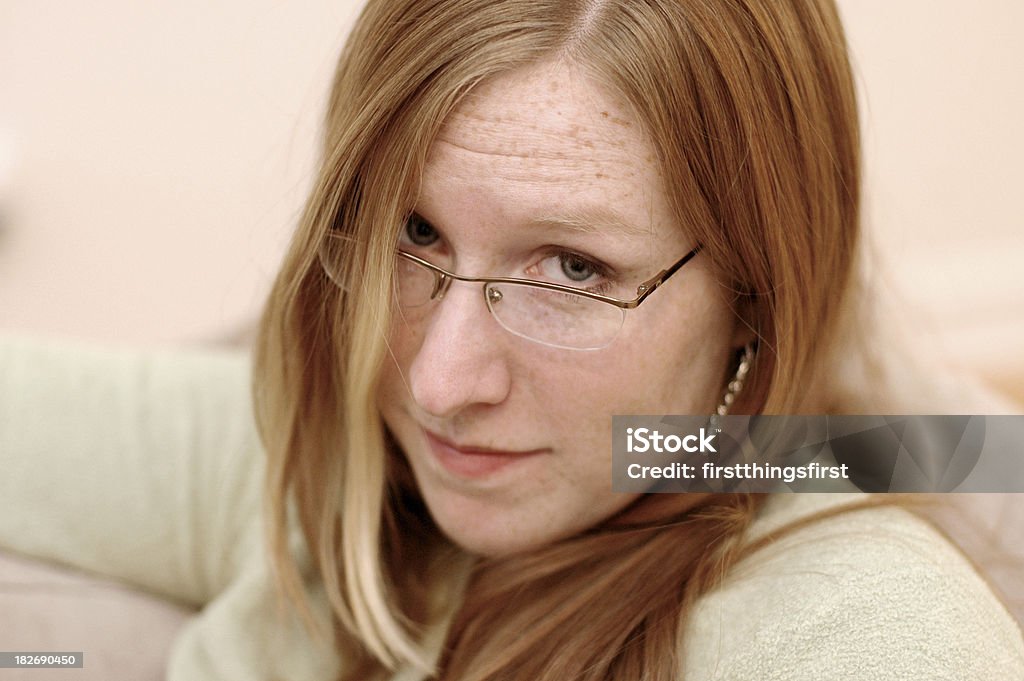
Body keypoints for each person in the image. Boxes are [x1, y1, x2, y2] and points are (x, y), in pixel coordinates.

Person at [0, 0, 1021, 679]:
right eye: (414, 232)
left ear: (757, 296)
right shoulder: (326, 458)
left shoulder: (852, 625)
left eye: (573, 269)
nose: (440, 384)